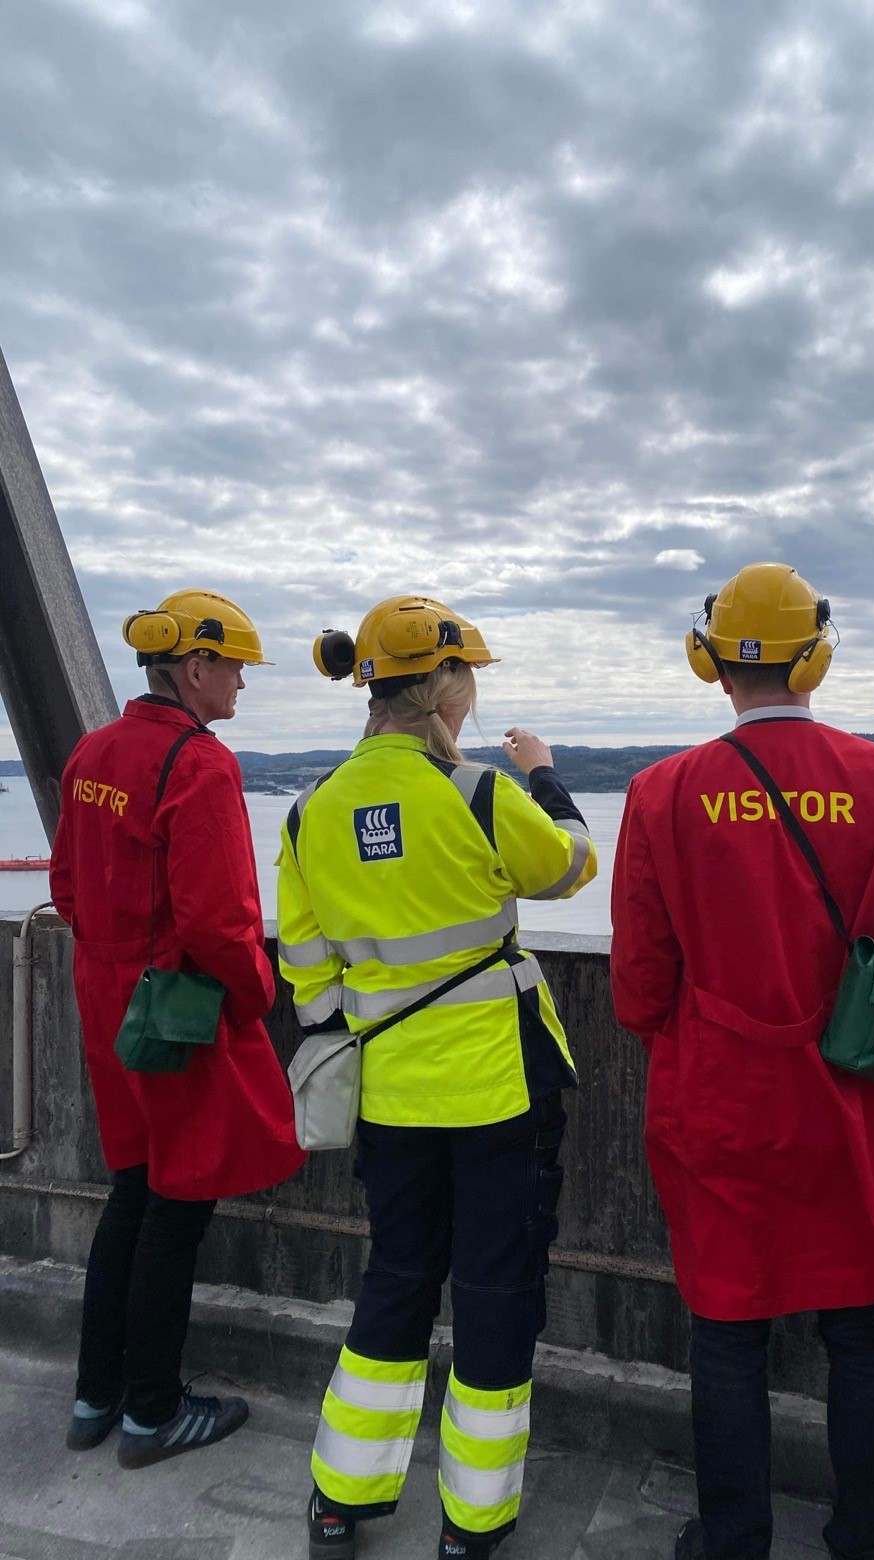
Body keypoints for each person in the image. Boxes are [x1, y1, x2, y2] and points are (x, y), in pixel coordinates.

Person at [609, 562, 874, 1560]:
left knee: (727, 1328)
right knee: (861, 1329)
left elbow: (640, 986)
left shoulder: (659, 793)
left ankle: (733, 1538)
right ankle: (864, 1540)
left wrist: (697, 1045)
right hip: (852, 1105)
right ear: (815, 657)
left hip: (720, 1103)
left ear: (709, 661)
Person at [277, 595, 597, 1560]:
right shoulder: (478, 793)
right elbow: (571, 867)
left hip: (388, 1095)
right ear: (445, 685)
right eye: (468, 679)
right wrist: (546, 775)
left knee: (397, 1277)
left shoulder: (310, 811)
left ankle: (339, 1499)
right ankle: (473, 1522)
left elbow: (307, 972)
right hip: (497, 1092)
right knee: (495, 1293)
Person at [48, 589, 306, 1468]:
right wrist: (256, 995)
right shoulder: (199, 764)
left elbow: (67, 887)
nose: (241, 683)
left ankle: (96, 1395)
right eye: (234, 666)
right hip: (174, 1009)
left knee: (132, 1190)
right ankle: (153, 1412)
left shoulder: (92, 751)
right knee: (178, 1203)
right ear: (195, 668)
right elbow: (220, 923)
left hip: (105, 996)